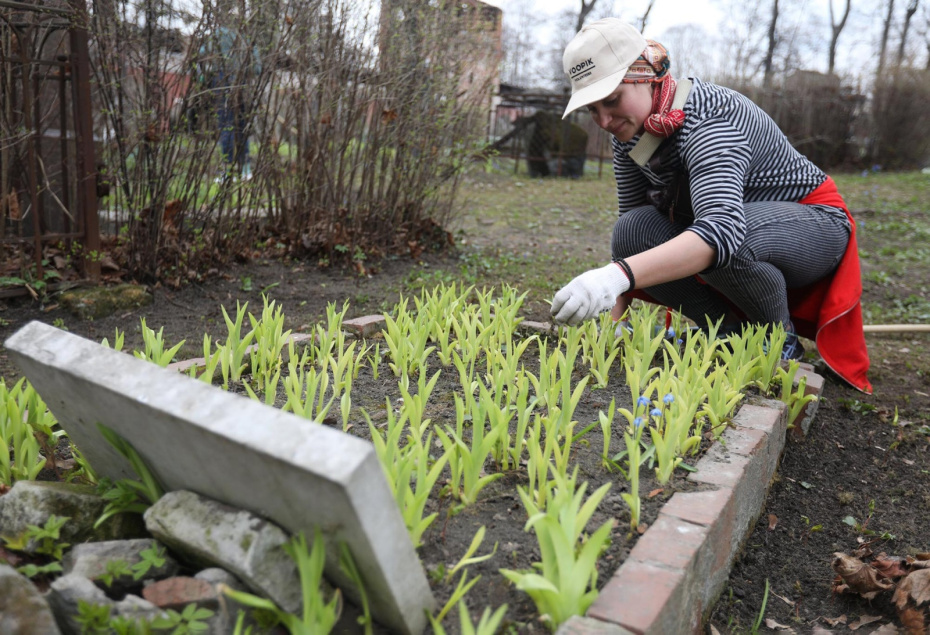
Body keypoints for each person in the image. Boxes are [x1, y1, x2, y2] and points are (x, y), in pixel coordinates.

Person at [549, 18, 871, 393]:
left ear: (646, 76)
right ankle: (727, 334)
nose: (603, 120)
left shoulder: (710, 120)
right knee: (632, 231)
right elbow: (632, 232)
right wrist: (612, 319)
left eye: (611, 100)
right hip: (738, 228)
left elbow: (720, 230)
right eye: (592, 108)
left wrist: (611, 277)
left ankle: (776, 343)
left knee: (731, 239)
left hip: (813, 226)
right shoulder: (628, 134)